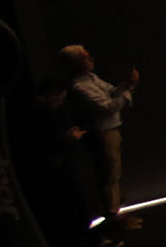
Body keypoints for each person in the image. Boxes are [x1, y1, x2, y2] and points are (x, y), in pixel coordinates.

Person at [58, 44, 142, 227]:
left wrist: (127, 84)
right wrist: (129, 89)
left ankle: (115, 213)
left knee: (113, 174)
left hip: (110, 131)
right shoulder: (79, 86)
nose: (91, 59)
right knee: (109, 175)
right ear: (76, 63)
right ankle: (114, 218)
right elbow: (107, 106)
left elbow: (111, 92)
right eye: (85, 57)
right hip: (102, 134)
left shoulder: (91, 78)